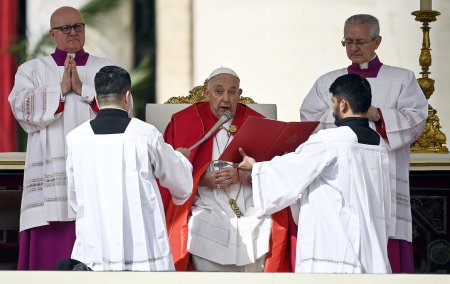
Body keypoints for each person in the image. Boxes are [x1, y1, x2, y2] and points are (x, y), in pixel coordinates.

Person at [300, 14, 428, 273]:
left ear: (377, 41)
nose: (353, 48)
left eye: (360, 41)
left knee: (386, 239)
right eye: (348, 41)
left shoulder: (402, 79)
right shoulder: (327, 82)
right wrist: (347, 114)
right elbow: (308, 122)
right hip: (340, 177)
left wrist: (377, 114)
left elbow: (416, 119)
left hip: (385, 174)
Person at [239, 73, 393, 273]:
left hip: (335, 250)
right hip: (372, 247)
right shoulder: (380, 145)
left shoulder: (331, 140)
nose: (333, 109)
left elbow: (292, 170)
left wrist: (256, 167)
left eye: (333, 102)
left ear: (343, 105)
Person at [8, 6, 112, 270]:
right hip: (48, 174)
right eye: (65, 28)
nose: (73, 32)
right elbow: (21, 108)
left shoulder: (106, 70)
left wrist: (83, 89)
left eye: (78, 26)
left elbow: (123, 108)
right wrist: (60, 91)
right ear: (52, 34)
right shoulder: (31, 70)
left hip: (93, 168)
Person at [63, 65, 193, 271]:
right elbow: (181, 184)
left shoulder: (76, 139)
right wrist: (181, 158)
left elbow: (74, 200)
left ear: (96, 97)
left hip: (95, 248)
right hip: (142, 251)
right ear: (127, 96)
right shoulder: (146, 134)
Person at [162, 67, 290, 272]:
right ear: (206, 92)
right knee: (201, 221)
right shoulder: (183, 122)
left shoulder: (258, 123)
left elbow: (272, 170)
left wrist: (245, 174)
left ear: (240, 94)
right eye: (219, 91)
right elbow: (168, 171)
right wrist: (201, 179)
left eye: (232, 92)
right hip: (205, 198)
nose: (226, 99)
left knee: (263, 221)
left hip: (246, 196)